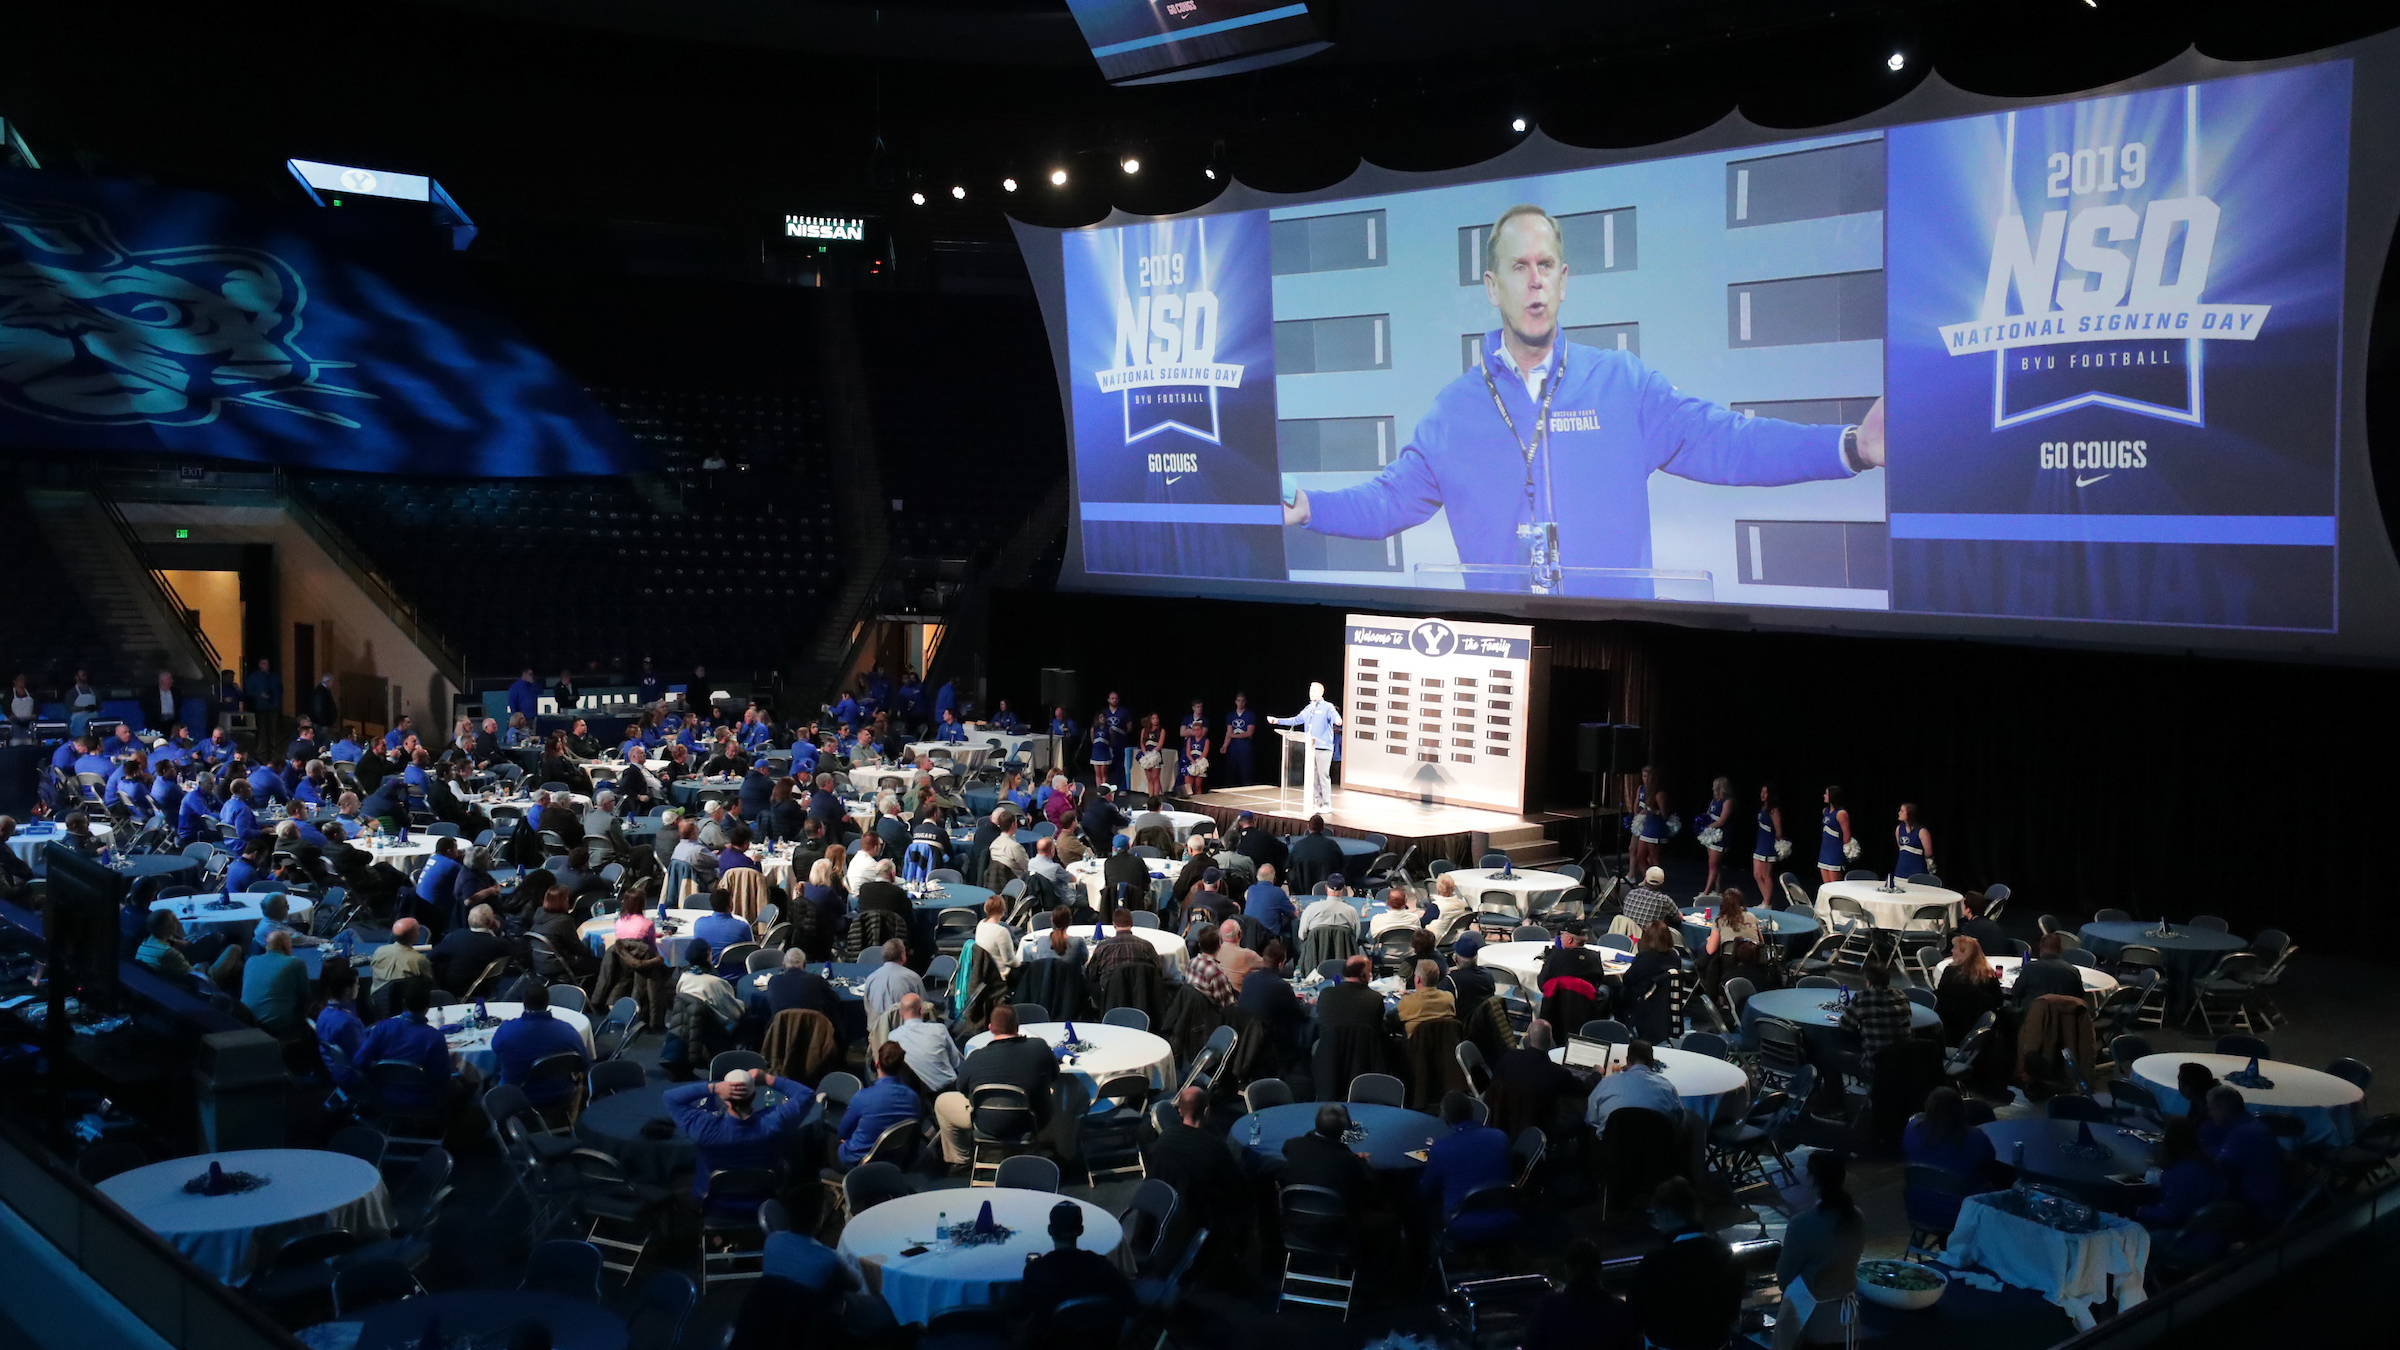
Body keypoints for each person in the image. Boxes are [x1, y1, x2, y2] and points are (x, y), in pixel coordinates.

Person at [1281, 203, 1884, 598]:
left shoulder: (1623, 385)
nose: (1535, 280)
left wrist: (1851, 447)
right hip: (1501, 655)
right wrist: (1310, 506)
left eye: (1546, 265)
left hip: (1613, 647)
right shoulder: (1454, 410)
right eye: (1519, 267)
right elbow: (1388, 500)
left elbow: (1732, 442)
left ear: (1565, 280)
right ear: (1493, 287)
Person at [663, 1068, 819, 1209]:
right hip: (766, 1200)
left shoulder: (705, 1128)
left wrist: (714, 1087)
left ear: (724, 1099)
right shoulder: (776, 1122)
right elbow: (807, 1094)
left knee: (677, 1179)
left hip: (713, 1202)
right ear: (754, 1095)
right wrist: (767, 1079)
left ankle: (716, 1237)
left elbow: (670, 1097)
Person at [935, 1004, 1059, 1164]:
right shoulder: (1040, 1047)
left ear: (990, 1028)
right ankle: (1061, 1147)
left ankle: (960, 1160)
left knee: (941, 1102)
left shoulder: (976, 1057)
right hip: (1032, 1120)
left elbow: (962, 1089)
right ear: (1017, 1026)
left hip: (986, 1123)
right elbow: (1054, 1076)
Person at [1631, 1178, 1744, 1350]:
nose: (1656, 1223)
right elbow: (1732, 1311)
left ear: (1666, 1214)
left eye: (1656, 1214)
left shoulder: (1655, 1262)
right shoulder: (1727, 1254)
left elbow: (1637, 1315)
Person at [1776, 1150, 1865, 1349]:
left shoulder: (1802, 1224)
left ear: (1811, 1179)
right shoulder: (1856, 1218)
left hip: (1811, 1319)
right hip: (1846, 1320)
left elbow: (1784, 1276)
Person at [1019, 1201, 1134, 1339]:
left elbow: (1023, 1312)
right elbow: (1131, 1306)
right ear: (1081, 1230)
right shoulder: (1101, 1266)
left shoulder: (1035, 1270)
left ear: (1050, 1230)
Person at [1419, 1090, 1515, 1242]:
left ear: (1445, 1118)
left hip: (1460, 1223)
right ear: (1472, 1111)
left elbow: (1428, 1191)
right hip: (1504, 1214)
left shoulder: (1441, 1148)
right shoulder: (1500, 1137)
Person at [1902, 1088, 1997, 1230]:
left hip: (1919, 1209)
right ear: (1961, 1111)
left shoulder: (1912, 1131)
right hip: (1962, 1215)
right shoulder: (1975, 1138)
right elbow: (1990, 1160)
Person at [1526, 1238, 1643, 1350]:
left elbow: (1531, 1345)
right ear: (1599, 1268)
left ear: (1568, 1269)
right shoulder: (1619, 1311)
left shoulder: (1548, 1308)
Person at [355, 985, 455, 1113]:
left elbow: (359, 1060)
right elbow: (441, 1079)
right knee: (461, 1085)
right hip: (425, 1100)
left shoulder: (382, 1028)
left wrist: (377, 1073)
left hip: (386, 1095)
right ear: (427, 1007)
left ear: (404, 1003)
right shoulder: (435, 1037)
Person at [492, 982, 590, 1110]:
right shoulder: (568, 1031)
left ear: (524, 1002)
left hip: (516, 1095)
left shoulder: (506, 1029)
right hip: (560, 1092)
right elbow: (584, 1063)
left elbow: (496, 1051)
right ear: (548, 1002)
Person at [2137, 1116, 2231, 1244]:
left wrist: (2142, 1211)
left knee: (2135, 1241)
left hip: (2189, 1237)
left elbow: (2172, 1215)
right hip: (2217, 1235)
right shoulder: (2210, 1163)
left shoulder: (2177, 1174)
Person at [2200, 1084, 2286, 1220]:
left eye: (2212, 1109)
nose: (2210, 1114)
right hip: (2259, 1201)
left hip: (2258, 1210)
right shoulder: (2250, 1125)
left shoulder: (2245, 1133)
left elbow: (2219, 1165)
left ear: (2224, 1108)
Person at [835, 1040, 926, 1166]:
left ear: (876, 1064)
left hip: (857, 1160)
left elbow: (843, 1132)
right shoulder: (914, 1098)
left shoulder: (863, 1097)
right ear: (901, 1067)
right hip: (893, 1159)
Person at [1267, 683, 1343, 813]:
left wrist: (1338, 720)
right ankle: (1318, 803)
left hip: (1323, 747)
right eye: (1310, 690)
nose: (1311, 693)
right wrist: (1277, 721)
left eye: (1314, 691)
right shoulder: (1309, 708)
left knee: (1323, 775)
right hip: (1311, 747)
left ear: (1321, 692)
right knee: (1314, 776)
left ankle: (1326, 804)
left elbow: (1335, 716)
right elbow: (1296, 720)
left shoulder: (1327, 707)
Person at [1280, 1103, 1372, 1209]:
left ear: (1316, 1123)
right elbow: (1369, 1187)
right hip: (1333, 1222)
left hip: (1293, 1218)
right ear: (1342, 1131)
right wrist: (1365, 1163)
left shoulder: (1292, 1145)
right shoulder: (1347, 1160)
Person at [1585, 1039, 1683, 1128]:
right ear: (1652, 1063)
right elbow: (1678, 1120)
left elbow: (1591, 1119)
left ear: (1627, 1060)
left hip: (1611, 1145)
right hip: (1655, 1145)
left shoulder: (1606, 1084)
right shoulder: (1666, 1087)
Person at [1837, 958, 1915, 1065]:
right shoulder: (1902, 996)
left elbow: (1845, 1026)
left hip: (1875, 1065)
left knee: (1829, 1056)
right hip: (1903, 1065)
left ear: (1868, 983)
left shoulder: (1862, 998)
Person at [432, 903, 518, 995]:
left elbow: (431, 956)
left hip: (449, 988)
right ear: (490, 923)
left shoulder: (454, 936)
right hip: (480, 991)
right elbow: (515, 951)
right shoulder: (499, 944)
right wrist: (501, 932)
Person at [887, 992, 964, 1093]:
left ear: (901, 1014)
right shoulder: (939, 1030)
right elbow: (956, 1062)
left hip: (917, 1093)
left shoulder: (893, 1037)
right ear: (922, 1010)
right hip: (947, 1090)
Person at [1934, 936, 2004, 1044]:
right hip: (1979, 1032)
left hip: (1950, 1029)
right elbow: (1998, 1000)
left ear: (1964, 953)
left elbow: (1940, 997)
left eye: (1955, 948)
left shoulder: (1950, 972)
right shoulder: (1988, 974)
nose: (1952, 950)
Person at [240, 929, 311, 1034]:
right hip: (276, 1024)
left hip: (246, 1020)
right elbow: (306, 996)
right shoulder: (295, 963)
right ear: (286, 944)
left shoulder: (251, 961)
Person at [859, 938, 923, 1025]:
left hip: (876, 1033)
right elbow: (923, 1006)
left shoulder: (871, 978)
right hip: (903, 1034)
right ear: (903, 956)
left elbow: (868, 1008)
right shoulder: (912, 978)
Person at [2012, 932, 2085, 1009]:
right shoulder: (2072, 971)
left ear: (2040, 948)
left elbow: (2015, 992)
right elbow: (2080, 996)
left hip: (2032, 1017)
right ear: (2060, 949)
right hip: (2063, 1018)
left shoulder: (2030, 968)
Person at [1445, 932, 1497, 1024]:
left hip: (1462, 1029)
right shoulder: (1488, 974)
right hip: (1486, 1025)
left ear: (1455, 959)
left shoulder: (1451, 981)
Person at [1626, 766, 1668, 881]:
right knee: (1637, 853)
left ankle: (1656, 881)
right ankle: (1642, 878)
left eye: (1649, 777)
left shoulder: (1659, 793)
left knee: (1653, 858)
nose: (1646, 779)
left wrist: (1652, 811)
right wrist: (1637, 816)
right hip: (1643, 826)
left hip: (1653, 828)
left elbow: (1664, 814)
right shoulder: (1641, 788)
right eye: (1644, 776)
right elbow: (1636, 803)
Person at [1695, 777, 1734, 895]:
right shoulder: (1714, 801)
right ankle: (1717, 890)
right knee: (1714, 865)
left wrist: (1709, 827)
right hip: (1711, 834)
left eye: (1714, 786)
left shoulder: (1728, 802)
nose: (1712, 788)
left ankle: (1706, 892)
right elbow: (1708, 815)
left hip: (1720, 836)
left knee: (1713, 864)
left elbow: (1722, 820)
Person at [1398, 959, 1456, 1034]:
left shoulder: (1407, 1002)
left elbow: (1393, 1020)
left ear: (1418, 979)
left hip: (1415, 1044)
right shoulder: (1449, 998)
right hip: (1444, 1043)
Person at [1241, 863, 1296, 939]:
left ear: (1257, 876)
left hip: (1249, 936)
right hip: (1269, 937)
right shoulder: (1277, 892)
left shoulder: (1250, 890)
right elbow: (1294, 914)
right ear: (1274, 878)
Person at [1023, 906, 1089, 968]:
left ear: (1052, 920)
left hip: (1046, 979)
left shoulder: (1041, 941)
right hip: (1073, 979)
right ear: (1070, 921)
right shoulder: (1078, 942)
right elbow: (1084, 960)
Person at [1621, 864, 1679, 931]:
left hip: (1628, 936)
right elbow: (1678, 918)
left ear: (1645, 880)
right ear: (1662, 882)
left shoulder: (1631, 894)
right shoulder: (1664, 900)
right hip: (1649, 939)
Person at [1816, 786, 1853, 884]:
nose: (1824, 796)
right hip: (1824, 852)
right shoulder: (1825, 811)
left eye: (1826, 794)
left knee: (1835, 885)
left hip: (1835, 852)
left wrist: (1846, 851)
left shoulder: (1841, 813)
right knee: (1826, 885)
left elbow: (1847, 835)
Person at [1956, 891, 2010, 957]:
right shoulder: (1991, 923)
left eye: (1962, 905)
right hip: (2000, 959)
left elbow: (1966, 954)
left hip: (1986, 962)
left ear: (1968, 910)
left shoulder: (1971, 928)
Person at [1894, 802, 1936, 880]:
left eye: (1902, 811)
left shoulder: (1922, 832)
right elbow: (1900, 847)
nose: (1899, 813)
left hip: (1916, 872)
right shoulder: (1899, 829)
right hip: (1900, 872)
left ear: (1910, 814)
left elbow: (1928, 853)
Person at [1178, 701, 1211, 795]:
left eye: (1198, 730)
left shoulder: (1206, 740)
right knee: (1188, 785)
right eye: (1194, 730)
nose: (1196, 732)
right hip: (1190, 761)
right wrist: (1192, 761)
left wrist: (1198, 762)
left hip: (1200, 762)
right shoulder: (1189, 739)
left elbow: (1204, 753)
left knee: (1198, 786)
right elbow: (1188, 751)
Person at [1135, 712, 1169, 799]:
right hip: (1146, 755)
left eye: (1157, 718)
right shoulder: (1144, 730)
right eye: (1153, 718)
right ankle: (1150, 798)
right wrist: (1146, 754)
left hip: (1155, 756)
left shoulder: (1161, 730)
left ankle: (1156, 798)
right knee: (1150, 779)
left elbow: (1160, 744)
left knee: (1155, 778)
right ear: (1150, 720)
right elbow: (1142, 743)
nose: (1155, 720)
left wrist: (1152, 754)